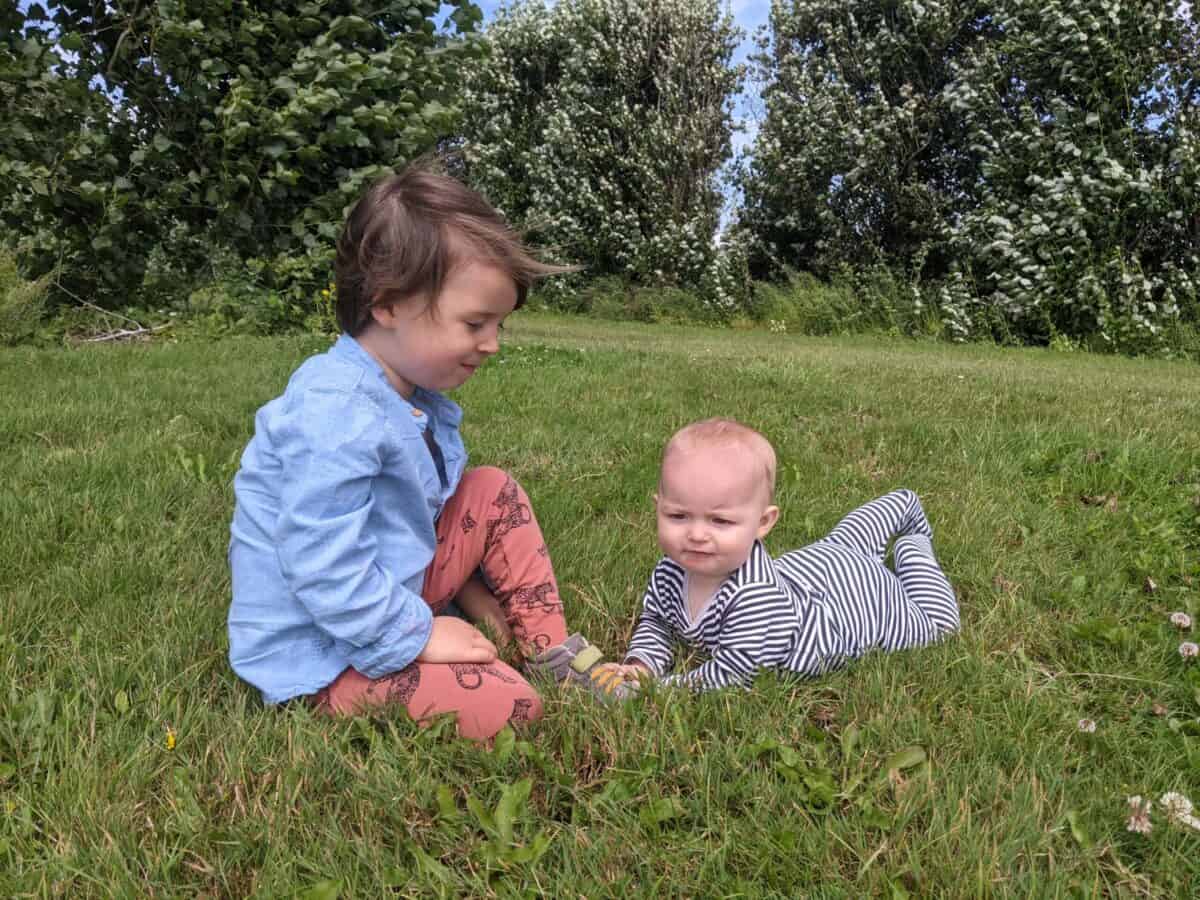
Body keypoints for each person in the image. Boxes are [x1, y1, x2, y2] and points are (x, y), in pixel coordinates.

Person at [227, 162, 616, 741]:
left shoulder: (408, 392)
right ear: (387, 305)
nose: (491, 345)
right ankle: (337, 696)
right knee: (512, 707)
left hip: (389, 588)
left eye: (499, 325)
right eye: (475, 323)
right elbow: (320, 562)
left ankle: (552, 650)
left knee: (490, 490)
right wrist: (421, 634)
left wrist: (464, 592)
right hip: (324, 647)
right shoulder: (334, 412)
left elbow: (415, 516)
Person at [595, 418, 960, 693]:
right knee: (842, 544)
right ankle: (899, 508)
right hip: (820, 565)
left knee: (939, 626)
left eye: (720, 520)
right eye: (678, 516)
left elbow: (731, 675)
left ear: (763, 523)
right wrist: (641, 665)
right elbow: (658, 621)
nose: (696, 534)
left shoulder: (757, 600)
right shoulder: (669, 572)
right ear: (658, 508)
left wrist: (655, 692)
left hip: (864, 605)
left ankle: (914, 546)